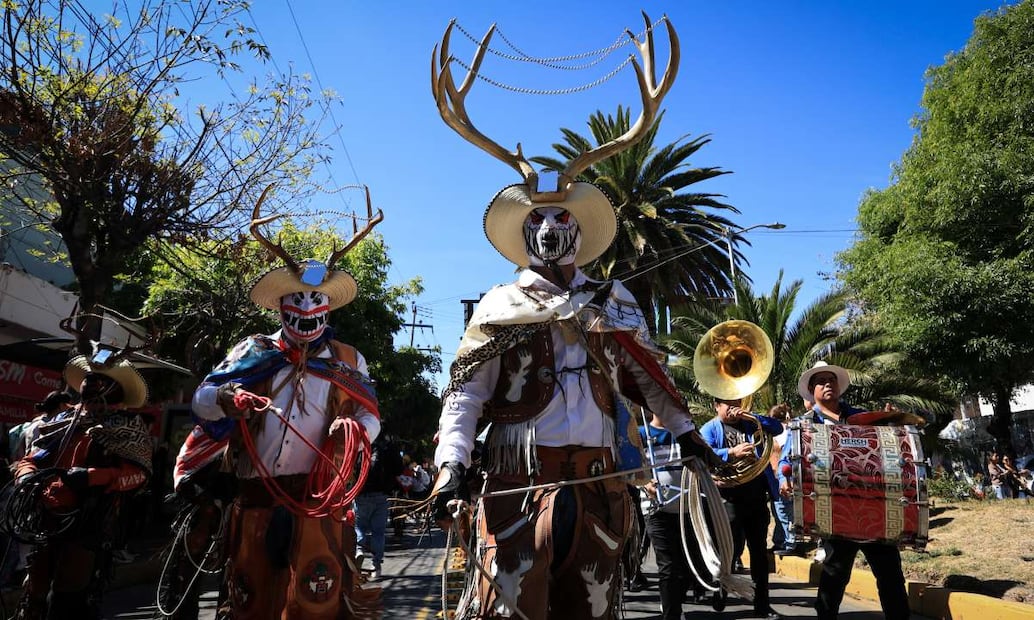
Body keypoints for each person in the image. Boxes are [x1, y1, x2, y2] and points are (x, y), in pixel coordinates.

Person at [430, 177, 721, 618]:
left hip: (599, 487)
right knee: (509, 611)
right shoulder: (500, 304)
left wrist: (686, 432)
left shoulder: (613, 300)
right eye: (537, 219)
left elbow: (649, 375)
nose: (549, 228)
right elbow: (466, 392)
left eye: (561, 217)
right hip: (518, 487)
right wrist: (452, 464)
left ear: (579, 229)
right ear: (524, 231)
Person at [191, 210, 382, 619]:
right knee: (252, 601)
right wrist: (226, 398)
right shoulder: (252, 351)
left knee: (316, 604)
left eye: (316, 300)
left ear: (328, 307)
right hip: (255, 498)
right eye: (297, 299)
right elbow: (201, 399)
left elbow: (371, 415)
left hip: (318, 502)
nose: (307, 308)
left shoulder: (348, 360)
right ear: (281, 304)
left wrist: (354, 432)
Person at [11, 352, 153, 620]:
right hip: (46, 519)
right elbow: (31, 459)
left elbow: (139, 475)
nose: (90, 384)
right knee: (33, 595)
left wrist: (92, 477)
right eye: (89, 378)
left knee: (69, 598)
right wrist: (26, 476)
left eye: (99, 381)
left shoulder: (128, 426)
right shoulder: (64, 420)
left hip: (89, 522)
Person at [778, 361, 910, 620]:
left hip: (873, 507)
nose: (828, 384)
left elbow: (890, 450)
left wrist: (891, 422)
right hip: (834, 507)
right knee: (835, 574)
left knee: (890, 573)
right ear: (811, 390)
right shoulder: (803, 424)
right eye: (821, 381)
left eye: (831, 380)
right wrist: (784, 478)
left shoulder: (865, 418)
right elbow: (787, 457)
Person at [701, 398, 784, 620]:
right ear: (716, 406)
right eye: (726, 403)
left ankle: (762, 604)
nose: (732, 406)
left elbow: (777, 427)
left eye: (735, 401)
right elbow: (704, 454)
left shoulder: (751, 423)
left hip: (756, 496)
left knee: (759, 552)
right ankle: (721, 589)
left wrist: (752, 416)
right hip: (728, 497)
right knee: (730, 548)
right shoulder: (709, 428)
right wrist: (732, 452)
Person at [354, 430, 404, 581]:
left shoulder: (360, 444)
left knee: (360, 526)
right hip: (382, 495)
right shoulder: (388, 447)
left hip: (361, 493)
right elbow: (399, 469)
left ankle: (359, 549)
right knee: (378, 532)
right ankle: (376, 565)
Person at [766, 403, 797, 556]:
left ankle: (789, 542)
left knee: (783, 512)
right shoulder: (785, 432)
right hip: (776, 478)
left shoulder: (783, 433)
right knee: (779, 512)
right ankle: (780, 540)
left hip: (782, 479)